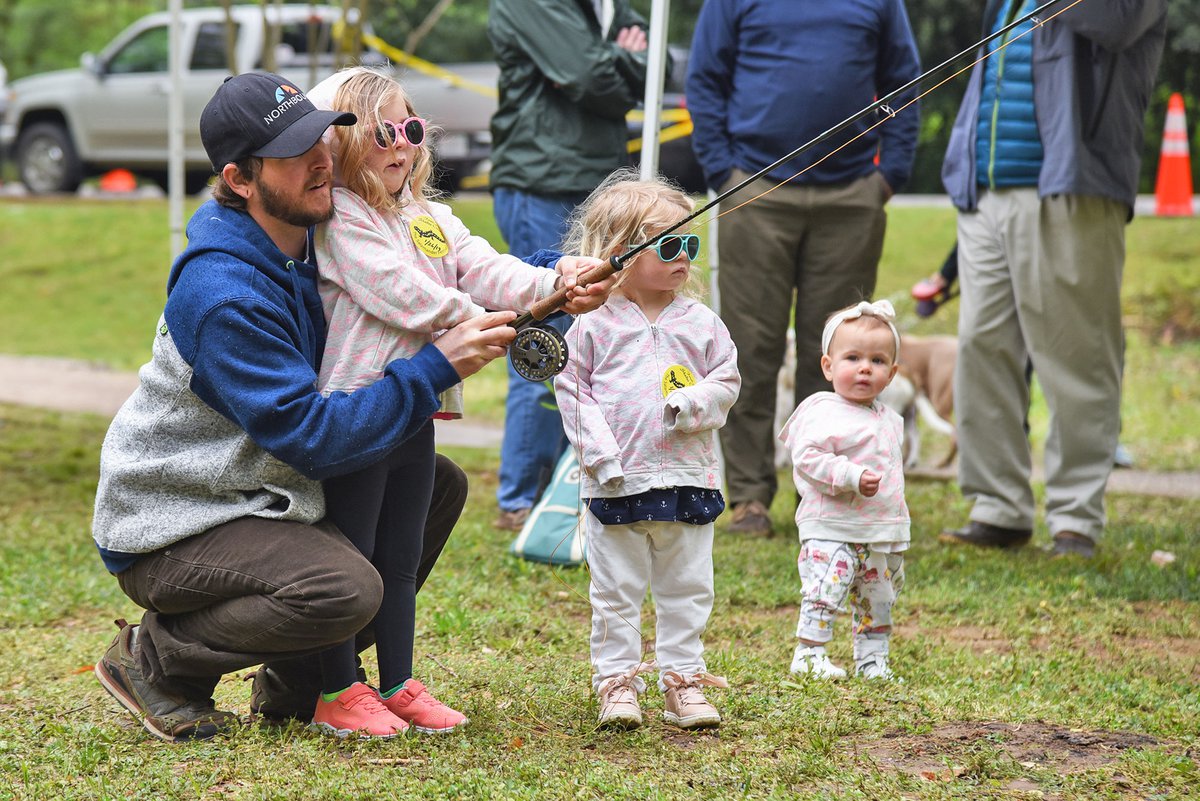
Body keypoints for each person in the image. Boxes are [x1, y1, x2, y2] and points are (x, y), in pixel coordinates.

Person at [90, 72, 520, 743]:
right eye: (295, 153)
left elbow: (456, 264)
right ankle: (153, 660)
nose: (323, 159)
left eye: (323, 137)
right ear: (239, 179)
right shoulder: (225, 290)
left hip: (267, 491)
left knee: (437, 488)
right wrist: (436, 365)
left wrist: (556, 277)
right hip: (180, 518)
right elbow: (312, 439)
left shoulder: (321, 241)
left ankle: (304, 681)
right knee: (341, 587)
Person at [295, 67, 610, 738]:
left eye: (410, 128)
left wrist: (557, 277)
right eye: (382, 132)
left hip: (416, 406)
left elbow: (485, 265)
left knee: (400, 554)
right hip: (359, 406)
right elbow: (400, 292)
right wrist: (497, 320)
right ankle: (335, 689)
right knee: (352, 552)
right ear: (343, 143)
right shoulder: (342, 216)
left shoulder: (429, 215)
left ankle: (397, 681)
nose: (400, 144)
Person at [938, 1, 1166, 559]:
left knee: (1077, 357)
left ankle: (1075, 518)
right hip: (986, 189)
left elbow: (1114, 24)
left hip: (1069, 188)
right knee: (981, 350)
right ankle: (998, 508)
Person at [685, 0, 921, 538]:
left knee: (841, 353)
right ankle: (749, 497)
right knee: (749, 346)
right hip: (755, 191)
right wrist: (723, 169)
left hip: (853, 193)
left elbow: (905, 82)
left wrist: (893, 173)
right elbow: (705, 79)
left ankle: (825, 493)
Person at [554, 171, 742, 730]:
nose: (683, 257)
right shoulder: (591, 326)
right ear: (619, 254)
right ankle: (618, 684)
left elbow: (727, 380)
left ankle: (683, 681)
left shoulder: (702, 323)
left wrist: (695, 403)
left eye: (690, 244)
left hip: (689, 476)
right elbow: (574, 391)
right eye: (668, 245)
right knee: (615, 593)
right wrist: (602, 459)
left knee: (687, 588)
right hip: (617, 483)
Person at [487, 0, 650, 531]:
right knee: (544, 336)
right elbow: (592, 78)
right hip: (540, 182)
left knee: (601, 335)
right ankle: (522, 498)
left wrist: (599, 66)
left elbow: (653, 72)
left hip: (602, 182)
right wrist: (611, 62)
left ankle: (578, 484)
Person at [779, 301, 909, 682]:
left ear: (892, 373)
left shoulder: (889, 418)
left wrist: (898, 527)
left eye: (878, 360)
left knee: (878, 598)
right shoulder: (822, 411)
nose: (865, 367)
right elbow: (807, 457)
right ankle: (810, 652)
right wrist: (850, 475)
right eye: (852, 357)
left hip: (879, 531)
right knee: (825, 590)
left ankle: (872, 660)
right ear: (828, 366)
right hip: (831, 526)